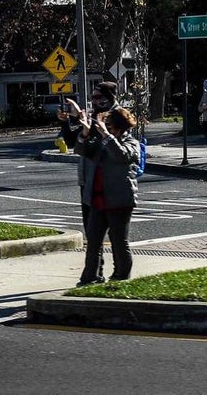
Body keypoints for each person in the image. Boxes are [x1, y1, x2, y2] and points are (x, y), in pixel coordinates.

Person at [58, 81, 121, 285]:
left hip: (110, 183)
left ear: (108, 97)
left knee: (116, 233)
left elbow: (102, 139)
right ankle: (94, 274)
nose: (93, 101)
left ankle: (119, 274)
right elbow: (74, 144)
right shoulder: (93, 118)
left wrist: (81, 119)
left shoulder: (117, 116)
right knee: (92, 232)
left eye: (97, 97)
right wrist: (66, 122)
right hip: (88, 181)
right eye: (93, 97)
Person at [74, 106, 141, 285]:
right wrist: (85, 134)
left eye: (110, 126)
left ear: (119, 128)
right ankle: (91, 277)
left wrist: (107, 136)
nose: (106, 128)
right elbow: (82, 151)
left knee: (118, 240)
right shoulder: (103, 141)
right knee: (93, 239)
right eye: (106, 126)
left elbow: (122, 156)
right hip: (98, 199)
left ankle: (121, 275)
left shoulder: (131, 143)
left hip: (120, 199)